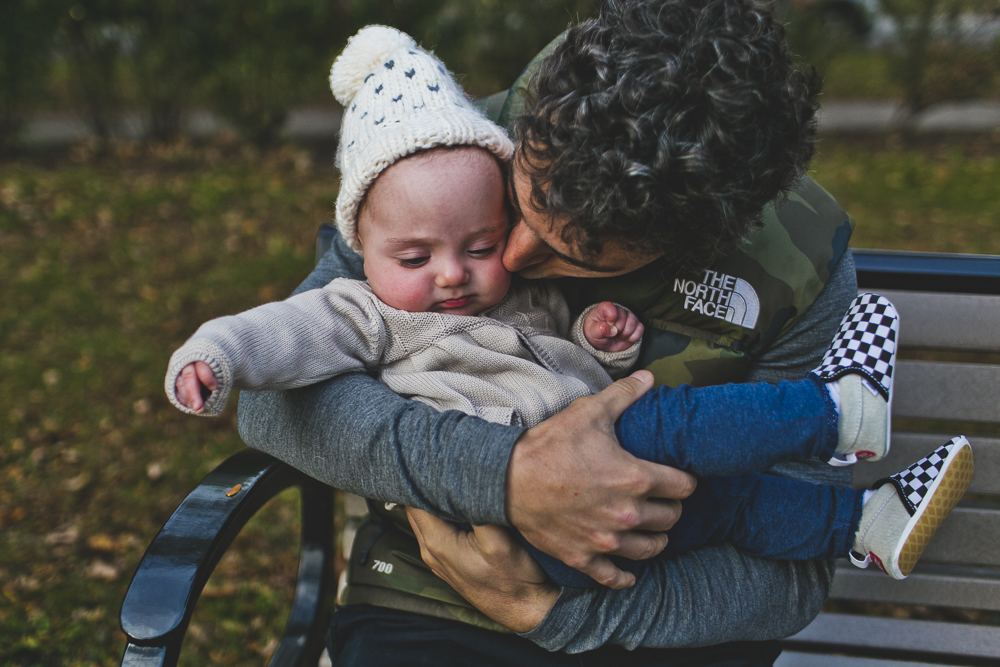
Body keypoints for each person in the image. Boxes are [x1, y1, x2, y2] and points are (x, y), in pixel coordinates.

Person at [166, 26, 971, 592]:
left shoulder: (797, 266)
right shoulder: (442, 152)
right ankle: (841, 411)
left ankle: (864, 517)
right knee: (678, 430)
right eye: (520, 208)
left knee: (717, 480)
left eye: (570, 255)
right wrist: (504, 479)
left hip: (639, 574)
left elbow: (773, 591)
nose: (505, 263)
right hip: (468, 548)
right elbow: (274, 392)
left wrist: (541, 613)